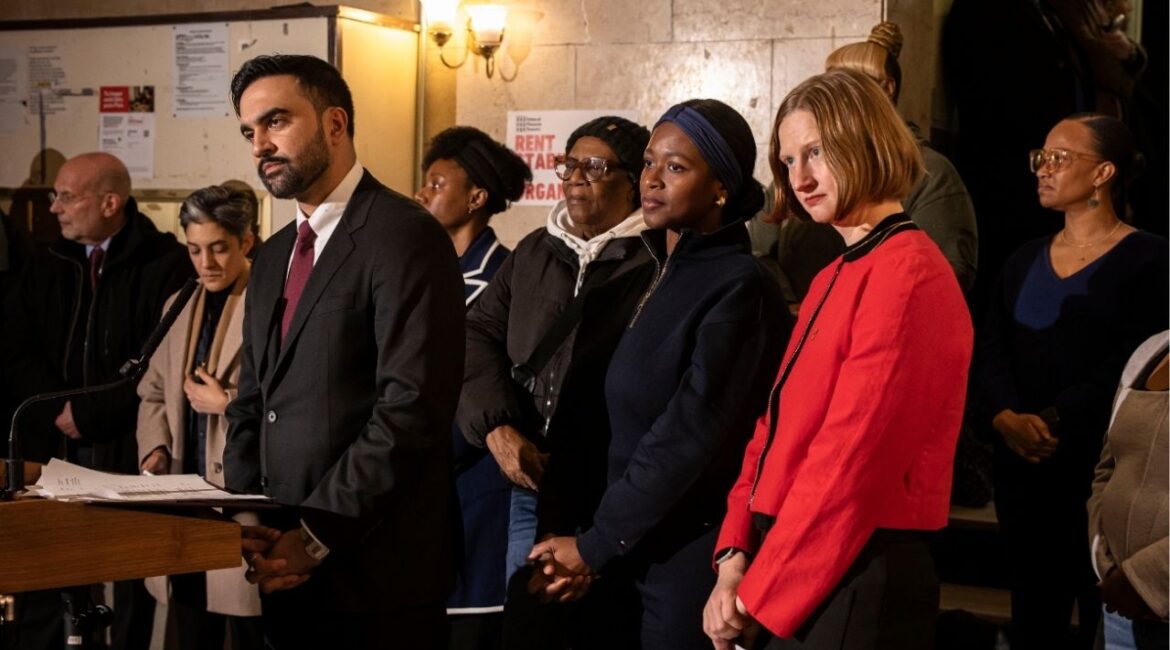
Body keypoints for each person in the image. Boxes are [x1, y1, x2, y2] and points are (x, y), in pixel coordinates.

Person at [704, 69, 973, 650]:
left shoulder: (909, 273)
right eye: (788, 159)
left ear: (866, 142)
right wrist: (734, 553)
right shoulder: (834, 272)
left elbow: (852, 457)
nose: (799, 177)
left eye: (817, 152)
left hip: (856, 564)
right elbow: (773, 428)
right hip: (794, 555)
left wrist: (759, 589)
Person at [221, 54, 465, 648]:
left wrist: (314, 535)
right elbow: (253, 399)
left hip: (376, 574)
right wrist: (251, 520)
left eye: (276, 122)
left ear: (335, 124)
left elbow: (409, 409)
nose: (260, 145)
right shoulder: (276, 253)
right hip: (282, 566)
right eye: (249, 131)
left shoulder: (404, 235)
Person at [529, 99, 791, 648]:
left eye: (676, 167)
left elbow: (687, 439)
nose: (652, 180)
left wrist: (596, 544)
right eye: (649, 162)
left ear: (720, 187)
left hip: (689, 555)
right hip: (632, 543)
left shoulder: (740, 285)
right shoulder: (658, 269)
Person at [454, 115, 656, 649]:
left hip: (615, 488)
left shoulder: (657, 258)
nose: (575, 177)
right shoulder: (535, 252)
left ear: (634, 180)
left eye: (595, 166)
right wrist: (495, 427)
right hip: (534, 482)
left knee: (605, 628)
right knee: (529, 622)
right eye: (569, 164)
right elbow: (474, 337)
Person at [975, 114, 1168, 649]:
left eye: (1060, 158)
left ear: (1105, 172)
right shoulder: (1020, 259)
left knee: (1106, 622)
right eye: (1040, 157)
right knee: (1034, 616)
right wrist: (1003, 414)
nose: (1043, 168)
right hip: (1023, 467)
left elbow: (1138, 361)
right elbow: (990, 348)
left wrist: (1055, 418)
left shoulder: (1151, 260)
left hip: (1102, 471)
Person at [1, 152, 191, 649]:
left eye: (66, 196)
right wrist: (57, 409)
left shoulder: (163, 263)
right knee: (51, 577)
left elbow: (160, 363)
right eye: (54, 196)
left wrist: (90, 414)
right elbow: (16, 346)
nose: (55, 208)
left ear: (110, 202)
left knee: (127, 577)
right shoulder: (48, 260)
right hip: (51, 446)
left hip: (125, 444)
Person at [414, 125, 530, 649]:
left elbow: (484, 393)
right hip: (420, 496)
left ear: (477, 197)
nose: (422, 194)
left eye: (436, 184)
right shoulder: (425, 274)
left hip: (474, 496)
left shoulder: (505, 279)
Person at [135, 185, 262, 650]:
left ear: (246, 242)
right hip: (181, 501)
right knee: (186, 627)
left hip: (244, 500)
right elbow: (150, 390)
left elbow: (293, 406)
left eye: (218, 248)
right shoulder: (177, 304)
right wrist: (155, 446)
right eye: (194, 249)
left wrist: (227, 403)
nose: (205, 262)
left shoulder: (270, 305)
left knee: (247, 629)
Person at [1088, 330, 1168, 650]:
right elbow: (1108, 468)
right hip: (1119, 609)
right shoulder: (1151, 351)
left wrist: (1142, 580)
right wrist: (1104, 561)